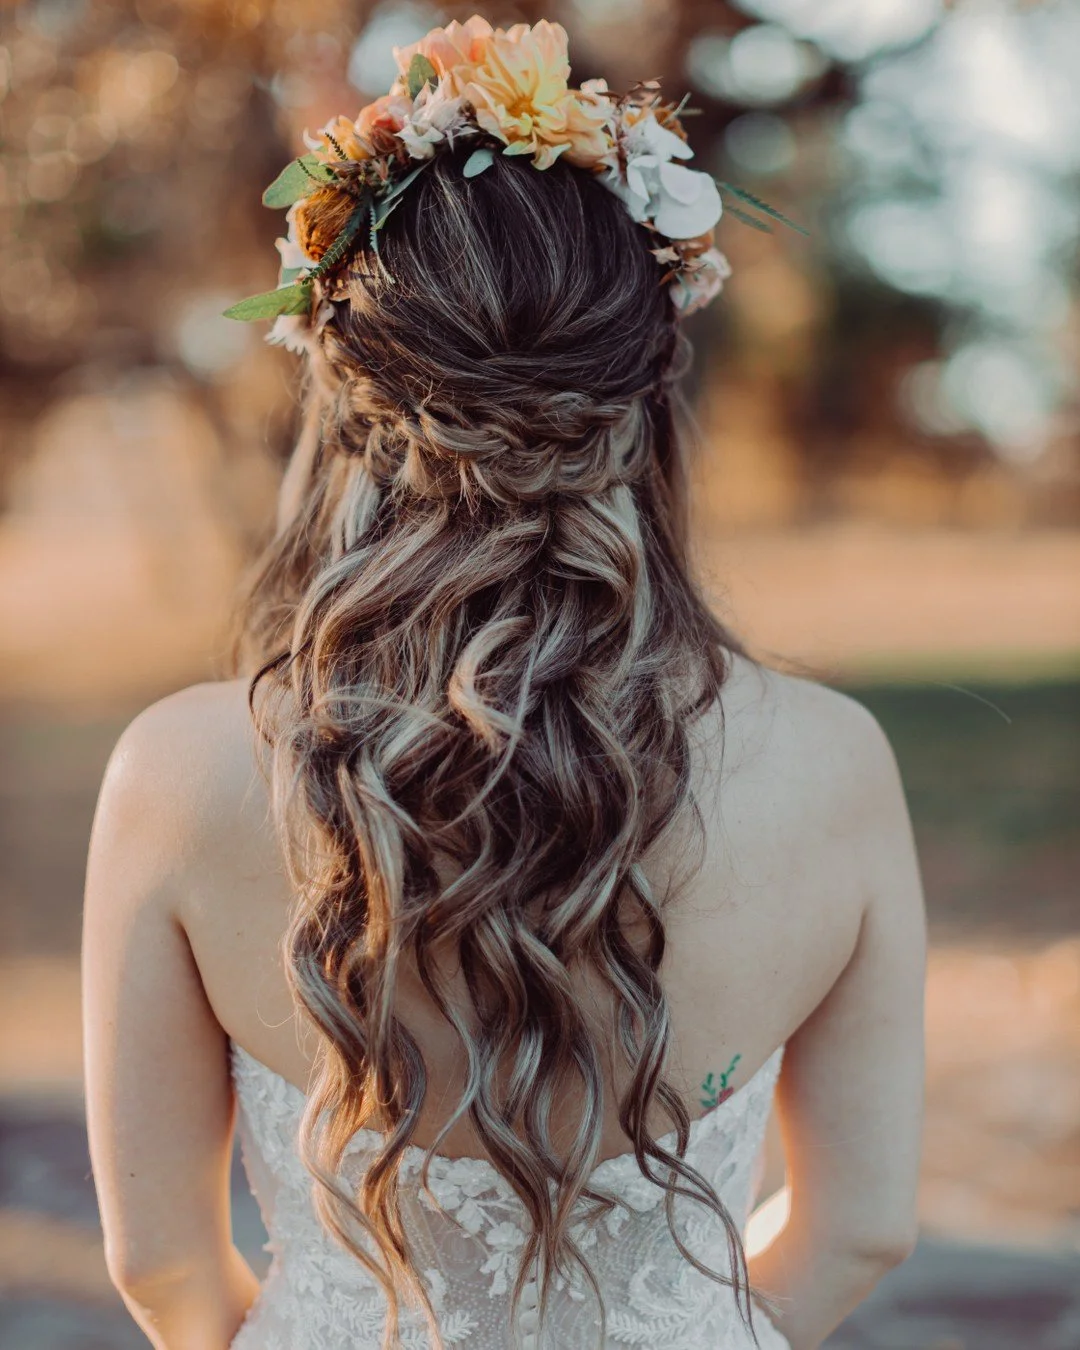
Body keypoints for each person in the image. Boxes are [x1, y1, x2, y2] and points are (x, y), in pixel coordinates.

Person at [82, 17, 925, 1350]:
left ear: (344, 391)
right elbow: (864, 1220)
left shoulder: (181, 771)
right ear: (646, 391)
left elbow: (163, 1265)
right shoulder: (832, 761)